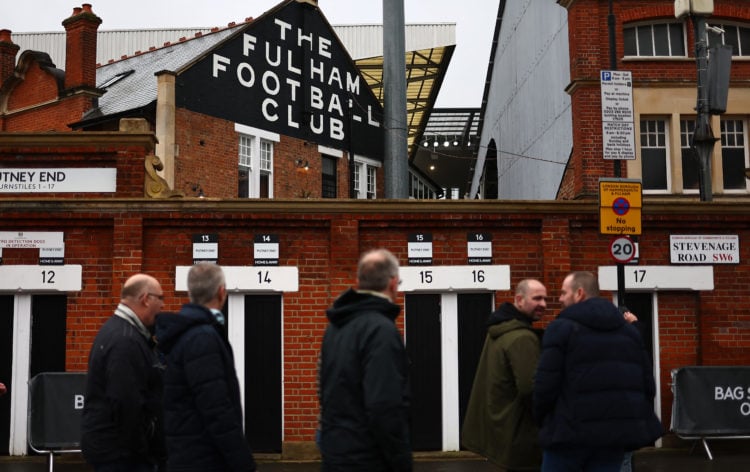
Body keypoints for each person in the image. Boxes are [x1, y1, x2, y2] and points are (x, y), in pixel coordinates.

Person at [533, 271, 663, 472]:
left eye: (563, 293)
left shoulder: (560, 329)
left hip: (567, 437)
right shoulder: (629, 332)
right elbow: (647, 385)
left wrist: (544, 421)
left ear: (579, 294)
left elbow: (545, 386)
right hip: (611, 440)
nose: (559, 299)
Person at [155, 262, 256, 472]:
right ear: (221, 292)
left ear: (190, 293)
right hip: (204, 459)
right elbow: (217, 409)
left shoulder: (187, 334)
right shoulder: (202, 338)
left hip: (186, 455)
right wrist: (243, 462)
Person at [318, 248, 412, 471]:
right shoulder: (382, 331)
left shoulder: (334, 327)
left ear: (358, 282)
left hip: (335, 453)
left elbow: (323, 390)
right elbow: (384, 406)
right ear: (393, 283)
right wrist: (400, 460)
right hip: (368, 458)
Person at [81, 274, 167, 472]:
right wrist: (144, 453)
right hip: (123, 457)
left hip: (115, 451)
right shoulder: (125, 340)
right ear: (146, 299)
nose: (163, 305)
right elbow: (126, 403)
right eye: (160, 298)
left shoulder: (121, 332)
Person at [462, 279, 547, 471]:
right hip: (522, 437)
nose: (543, 304)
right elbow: (531, 389)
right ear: (519, 299)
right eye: (537, 298)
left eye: (545, 298)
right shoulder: (522, 337)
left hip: (503, 433)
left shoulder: (500, 330)